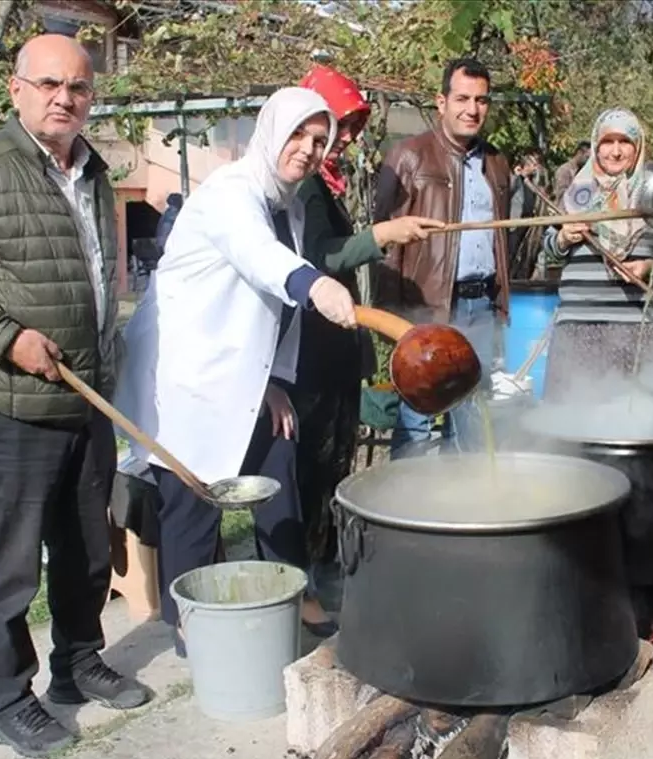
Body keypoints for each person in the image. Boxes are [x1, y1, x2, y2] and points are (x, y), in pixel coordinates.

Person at [0, 33, 148, 759]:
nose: (63, 98)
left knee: (84, 555)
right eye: (48, 85)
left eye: (76, 87)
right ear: (16, 90)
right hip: (8, 408)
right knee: (8, 568)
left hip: (82, 402)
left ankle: (78, 664)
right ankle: (8, 698)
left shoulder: (93, 171)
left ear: (91, 97)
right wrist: (9, 338)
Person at [113, 87, 359, 653]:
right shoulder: (231, 193)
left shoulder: (288, 206)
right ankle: (190, 627)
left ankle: (292, 595)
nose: (308, 148)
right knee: (192, 500)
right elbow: (260, 259)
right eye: (298, 134)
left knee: (279, 477)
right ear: (270, 131)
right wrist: (314, 283)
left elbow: (264, 310)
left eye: (319, 140)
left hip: (244, 374)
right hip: (188, 376)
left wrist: (271, 380)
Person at [291, 64, 444, 597]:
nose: (349, 137)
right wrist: (382, 234)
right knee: (314, 462)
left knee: (336, 455)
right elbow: (318, 258)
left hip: (337, 339)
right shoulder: (305, 188)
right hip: (310, 343)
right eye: (342, 125)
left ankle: (327, 564)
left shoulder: (325, 183)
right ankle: (308, 583)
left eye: (353, 126)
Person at [373, 56, 512, 456]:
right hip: (426, 308)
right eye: (463, 98)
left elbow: (503, 239)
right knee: (417, 421)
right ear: (441, 101)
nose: (472, 110)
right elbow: (382, 242)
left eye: (482, 100)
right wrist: (390, 319)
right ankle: (404, 508)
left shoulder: (497, 162)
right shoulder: (407, 156)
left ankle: (462, 506)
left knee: (471, 416)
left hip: (479, 305)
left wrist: (501, 301)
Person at [542, 108, 653, 390]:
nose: (615, 151)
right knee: (577, 421)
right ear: (595, 146)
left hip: (644, 330)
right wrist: (563, 238)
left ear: (638, 148)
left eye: (624, 142)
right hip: (579, 327)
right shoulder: (578, 192)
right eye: (607, 142)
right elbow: (549, 249)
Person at [508, 149, 544, 279]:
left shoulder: (531, 181)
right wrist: (515, 175)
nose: (535, 168)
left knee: (522, 253)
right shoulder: (516, 179)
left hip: (527, 224)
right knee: (511, 252)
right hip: (514, 224)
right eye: (532, 165)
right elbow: (508, 191)